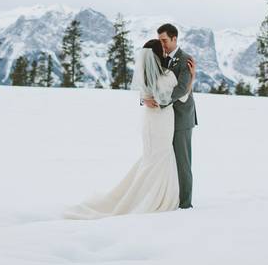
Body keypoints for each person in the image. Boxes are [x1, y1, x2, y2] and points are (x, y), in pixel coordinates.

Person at [62, 38, 197, 219]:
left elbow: (146, 97)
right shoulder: (167, 76)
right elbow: (180, 97)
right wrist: (192, 78)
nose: (166, 49)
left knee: (151, 157)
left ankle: (142, 191)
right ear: (159, 55)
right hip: (162, 121)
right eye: (162, 48)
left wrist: (145, 100)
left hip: (149, 121)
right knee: (162, 156)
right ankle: (157, 197)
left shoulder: (148, 75)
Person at [141, 23, 198, 209]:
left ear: (174, 38)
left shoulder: (185, 60)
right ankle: (167, 197)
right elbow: (151, 80)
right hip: (163, 120)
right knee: (165, 161)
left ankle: (185, 203)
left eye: (164, 40)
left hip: (181, 118)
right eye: (159, 40)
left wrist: (160, 102)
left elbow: (181, 89)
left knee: (182, 162)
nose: (162, 44)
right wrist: (145, 99)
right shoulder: (161, 58)